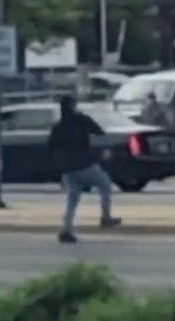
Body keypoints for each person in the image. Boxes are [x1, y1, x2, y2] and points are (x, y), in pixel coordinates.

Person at [48, 95, 121, 243]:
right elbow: (98, 131)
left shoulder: (58, 127)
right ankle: (105, 217)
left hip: (68, 169)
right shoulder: (80, 120)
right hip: (84, 164)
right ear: (73, 106)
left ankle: (66, 230)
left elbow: (51, 148)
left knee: (72, 199)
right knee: (105, 184)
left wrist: (60, 169)